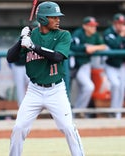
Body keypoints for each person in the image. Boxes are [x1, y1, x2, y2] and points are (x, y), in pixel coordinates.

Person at [7, 1, 85, 156]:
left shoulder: (63, 35)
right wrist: (21, 40)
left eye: (58, 17)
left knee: (68, 128)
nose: (58, 20)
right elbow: (10, 58)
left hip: (56, 90)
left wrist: (33, 47)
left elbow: (57, 57)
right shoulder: (31, 35)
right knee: (19, 128)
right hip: (34, 90)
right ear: (42, 18)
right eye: (53, 17)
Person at [70, 16, 107, 118]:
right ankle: (77, 111)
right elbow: (71, 46)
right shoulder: (78, 33)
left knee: (84, 88)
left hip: (86, 65)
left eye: (94, 26)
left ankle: (78, 111)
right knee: (86, 87)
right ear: (85, 26)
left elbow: (103, 46)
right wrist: (85, 47)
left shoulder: (95, 35)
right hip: (76, 67)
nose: (93, 28)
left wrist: (93, 47)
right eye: (91, 26)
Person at [103, 13, 125, 119]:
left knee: (122, 87)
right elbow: (114, 46)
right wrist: (121, 36)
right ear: (114, 23)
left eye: (122, 23)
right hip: (110, 64)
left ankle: (117, 113)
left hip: (121, 65)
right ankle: (113, 110)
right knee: (115, 85)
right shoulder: (108, 32)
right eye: (118, 23)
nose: (120, 25)